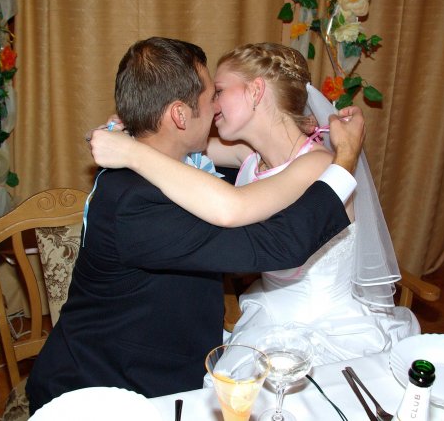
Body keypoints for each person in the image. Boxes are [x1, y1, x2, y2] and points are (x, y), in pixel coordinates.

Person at [26, 37, 364, 415]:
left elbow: (254, 173)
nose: (216, 106)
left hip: (169, 358)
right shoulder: (135, 204)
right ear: (179, 116)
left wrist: (129, 139)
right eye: (210, 97)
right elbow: (274, 243)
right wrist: (345, 159)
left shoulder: (172, 162)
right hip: (109, 387)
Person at [89, 42, 420, 367]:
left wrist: (131, 150)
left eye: (219, 91)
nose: (213, 105)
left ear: (256, 91)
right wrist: (134, 129)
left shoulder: (317, 166)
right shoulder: (249, 155)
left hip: (325, 327)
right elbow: (174, 144)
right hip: (271, 312)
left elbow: (234, 206)